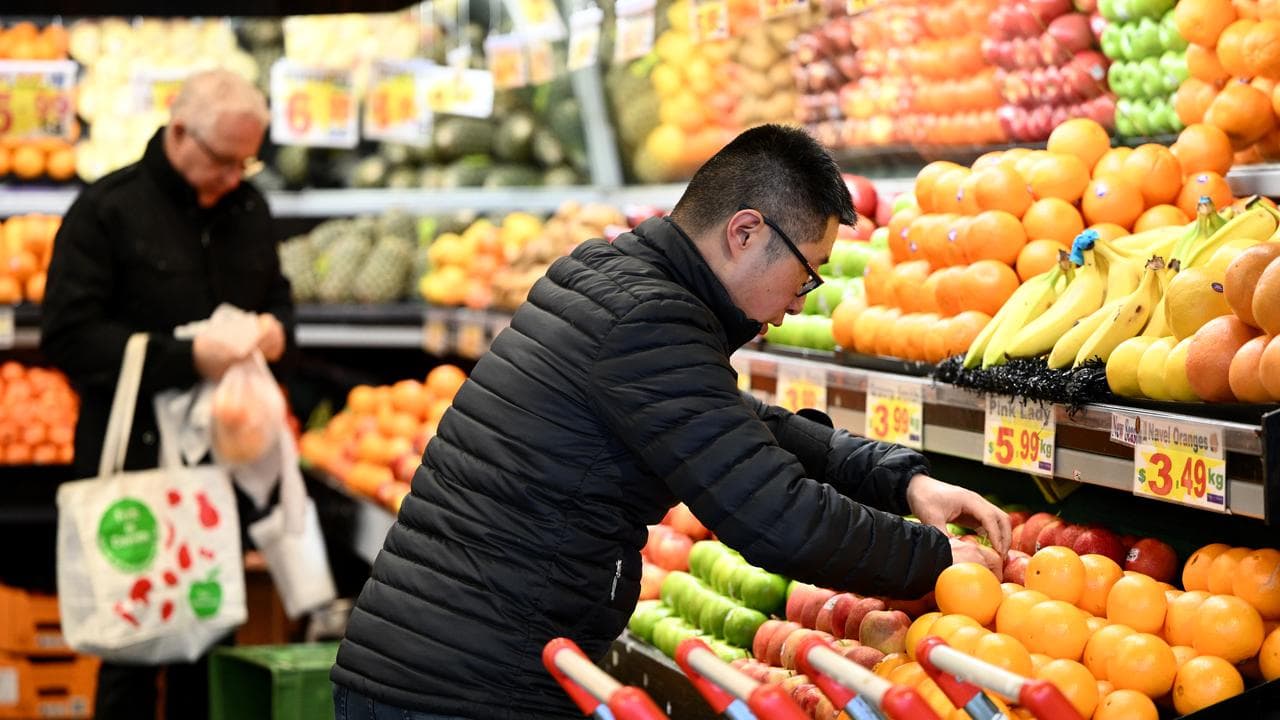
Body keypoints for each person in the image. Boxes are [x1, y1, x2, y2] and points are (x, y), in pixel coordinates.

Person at [331, 125, 1010, 720]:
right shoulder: (647, 317)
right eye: (807, 275)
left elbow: (727, 423)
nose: (793, 309)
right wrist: (938, 559)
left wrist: (898, 482)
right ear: (745, 233)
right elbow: (780, 518)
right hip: (465, 688)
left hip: (445, 665)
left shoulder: (611, 274)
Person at [41, 69, 296, 720]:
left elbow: (279, 301)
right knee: (130, 649)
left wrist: (273, 332)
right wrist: (185, 358)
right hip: (134, 464)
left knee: (211, 642)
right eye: (224, 160)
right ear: (179, 134)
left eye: (249, 160)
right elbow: (69, 338)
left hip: (225, 465)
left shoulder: (249, 210)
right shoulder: (107, 210)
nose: (238, 177)